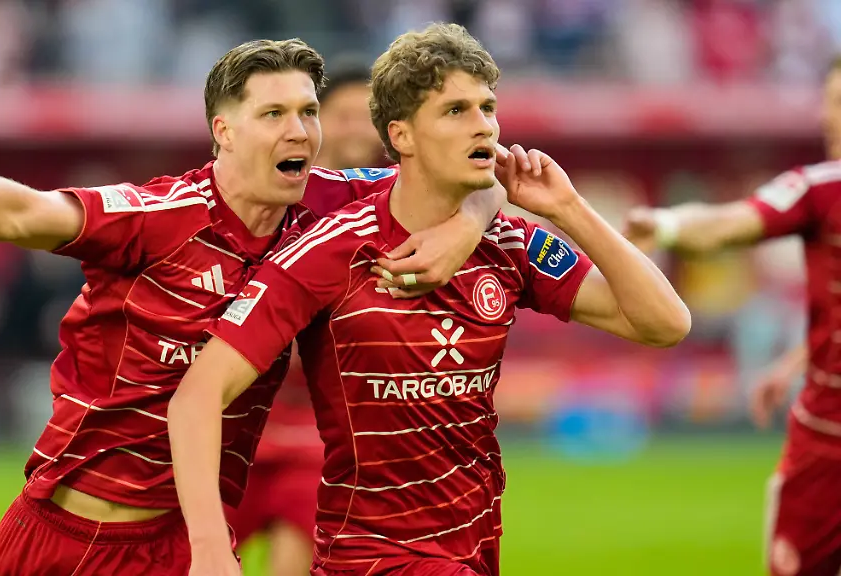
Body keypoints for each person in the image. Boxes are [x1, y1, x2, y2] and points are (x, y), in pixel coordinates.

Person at [0, 38, 504, 576]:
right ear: (224, 131)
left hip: (181, 542)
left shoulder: (326, 208)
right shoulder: (160, 215)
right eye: (273, 115)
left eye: (308, 112)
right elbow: (22, 214)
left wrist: (466, 224)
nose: (300, 131)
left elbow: (472, 172)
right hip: (63, 531)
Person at [169, 23, 691, 576]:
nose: (483, 126)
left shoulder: (509, 244)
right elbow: (198, 394)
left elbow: (665, 323)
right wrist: (209, 551)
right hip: (371, 556)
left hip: (473, 546)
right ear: (403, 136)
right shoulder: (331, 248)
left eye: (487, 107)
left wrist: (568, 209)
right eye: (456, 111)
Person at [622, 55, 841, 576]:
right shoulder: (821, 189)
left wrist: (663, 227)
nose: (828, 117)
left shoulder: (822, 185)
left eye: (840, 105)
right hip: (827, 435)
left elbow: (727, 227)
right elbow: (730, 221)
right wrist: (796, 361)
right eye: (829, 102)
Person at [224, 56, 383, 576]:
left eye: (369, 115)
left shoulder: (395, 203)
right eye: (343, 114)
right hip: (233, 425)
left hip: (319, 438)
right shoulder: (264, 193)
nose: (356, 127)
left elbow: (484, 184)